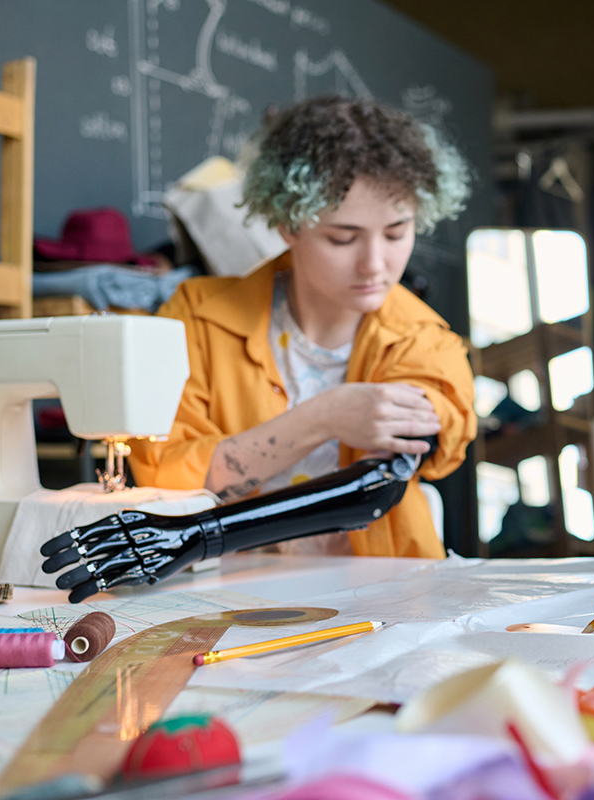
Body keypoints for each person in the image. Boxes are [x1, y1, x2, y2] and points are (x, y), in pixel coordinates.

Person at [128, 96, 476, 559]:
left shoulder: (423, 340)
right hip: (228, 593)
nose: (375, 264)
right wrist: (325, 416)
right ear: (287, 224)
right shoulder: (197, 318)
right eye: (342, 237)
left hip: (381, 592)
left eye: (396, 233)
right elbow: (161, 473)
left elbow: (412, 460)